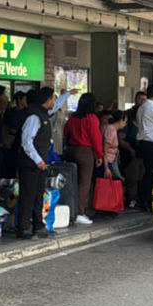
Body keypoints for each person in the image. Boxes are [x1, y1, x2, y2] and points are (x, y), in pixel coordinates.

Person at [17, 87, 75, 239]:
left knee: (38, 195)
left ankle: (38, 226)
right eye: (53, 98)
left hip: (40, 163)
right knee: (28, 196)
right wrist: (38, 160)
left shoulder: (43, 113)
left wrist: (67, 94)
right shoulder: (34, 117)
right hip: (30, 164)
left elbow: (56, 106)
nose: (55, 101)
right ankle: (23, 228)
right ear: (47, 100)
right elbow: (26, 142)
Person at [63, 93, 102, 225]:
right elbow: (96, 138)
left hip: (71, 150)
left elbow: (65, 133)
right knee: (84, 183)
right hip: (85, 152)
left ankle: (69, 209)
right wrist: (99, 155)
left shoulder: (73, 117)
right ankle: (79, 212)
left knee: (72, 182)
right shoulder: (92, 118)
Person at [0, 91, 29, 179]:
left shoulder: (28, 112)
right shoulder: (10, 112)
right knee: (9, 164)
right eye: (24, 99)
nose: (26, 101)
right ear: (19, 100)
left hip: (21, 141)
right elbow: (4, 126)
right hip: (11, 142)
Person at [102, 110, 126, 181]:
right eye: (125, 122)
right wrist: (106, 168)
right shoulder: (111, 130)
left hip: (109, 161)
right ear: (121, 121)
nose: (125, 124)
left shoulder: (112, 129)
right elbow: (104, 150)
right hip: (107, 162)